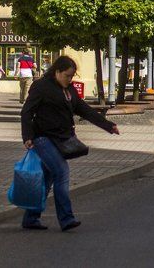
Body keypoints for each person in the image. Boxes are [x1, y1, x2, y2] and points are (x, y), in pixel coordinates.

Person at [20, 55, 120, 231]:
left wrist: (108, 125)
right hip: (43, 137)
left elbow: (84, 110)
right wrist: (27, 136)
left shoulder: (69, 89)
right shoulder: (41, 87)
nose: (70, 79)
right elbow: (26, 112)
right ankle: (66, 219)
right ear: (57, 72)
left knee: (48, 178)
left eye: (72, 76)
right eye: (67, 75)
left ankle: (30, 217)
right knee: (61, 171)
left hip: (61, 139)